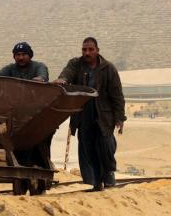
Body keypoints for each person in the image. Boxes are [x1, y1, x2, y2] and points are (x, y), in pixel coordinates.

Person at [54, 37, 126, 191]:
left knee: (106, 145)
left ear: (97, 50)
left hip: (103, 115)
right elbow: (67, 73)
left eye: (90, 49)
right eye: (84, 50)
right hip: (83, 113)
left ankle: (108, 176)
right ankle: (95, 182)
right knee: (87, 149)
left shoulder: (108, 69)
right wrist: (62, 79)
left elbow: (117, 95)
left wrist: (120, 118)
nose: (87, 53)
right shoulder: (76, 64)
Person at [0, 42, 51, 168]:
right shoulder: (10, 69)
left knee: (38, 142)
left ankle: (40, 168)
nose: (21, 57)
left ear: (30, 55)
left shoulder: (39, 66)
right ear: (14, 57)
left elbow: (43, 77)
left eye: (24, 54)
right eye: (17, 55)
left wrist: (40, 79)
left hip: (37, 114)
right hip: (16, 116)